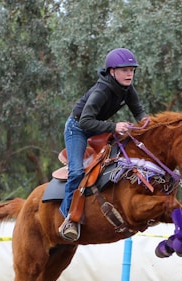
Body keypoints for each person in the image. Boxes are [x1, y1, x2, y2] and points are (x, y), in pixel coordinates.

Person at [58, 48, 148, 241]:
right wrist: (115, 126)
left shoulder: (128, 89)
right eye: (124, 70)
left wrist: (150, 124)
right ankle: (68, 218)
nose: (129, 73)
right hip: (78, 128)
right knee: (76, 171)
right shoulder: (101, 91)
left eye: (132, 70)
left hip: (98, 127)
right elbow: (84, 122)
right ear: (112, 72)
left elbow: (139, 112)